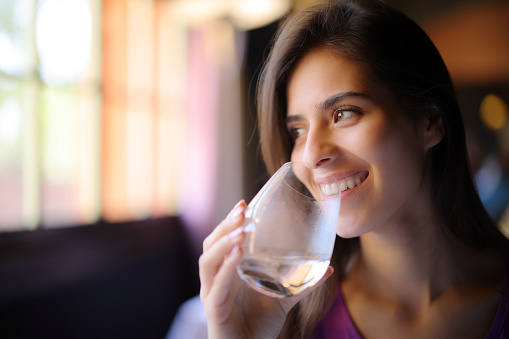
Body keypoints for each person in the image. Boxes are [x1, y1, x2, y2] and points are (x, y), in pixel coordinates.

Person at [198, 0, 509, 338]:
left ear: (430, 121)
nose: (311, 155)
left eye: (344, 113)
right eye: (298, 131)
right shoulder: (291, 320)